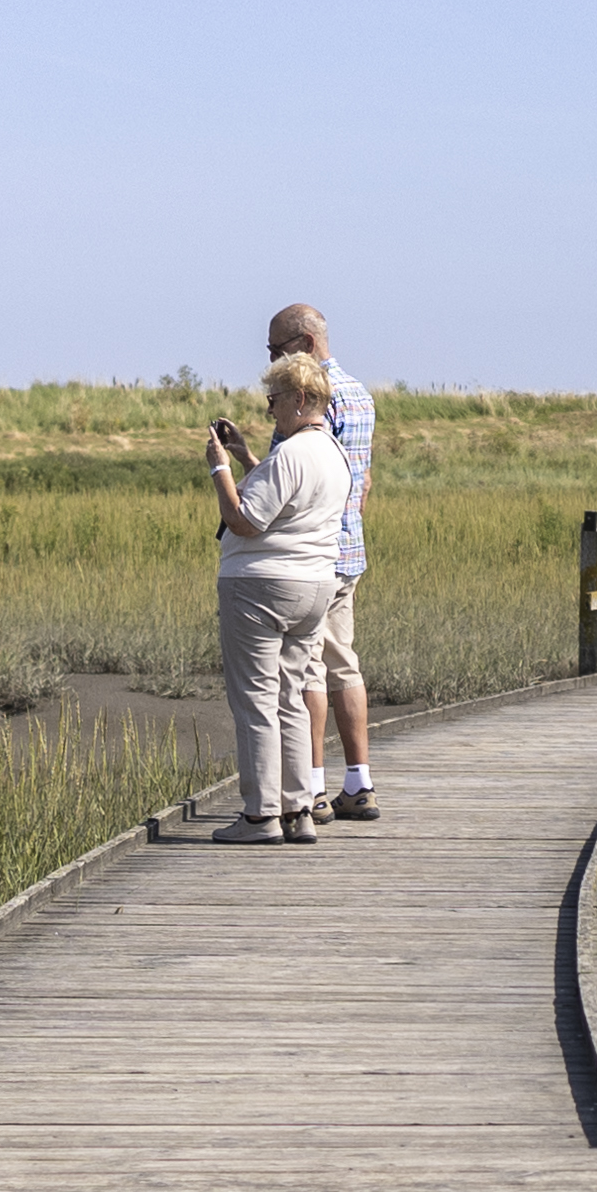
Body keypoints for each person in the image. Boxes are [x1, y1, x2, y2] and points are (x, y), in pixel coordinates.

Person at [201, 355, 351, 843]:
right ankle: (298, 809)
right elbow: (288, 497)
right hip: (314, 587)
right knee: (291, 697)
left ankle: (259, 816)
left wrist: (219, 469)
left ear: (301, 399)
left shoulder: (289, 454)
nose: (270, 412)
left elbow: (246, 520)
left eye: (275, 401)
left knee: (255, 699)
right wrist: (247, 458)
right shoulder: (332, 453)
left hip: (261, 585)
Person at [269, 299, 378, 819]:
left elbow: (284, 483)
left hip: (312, 555)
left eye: (277, 350)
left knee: (308, 671)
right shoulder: (361, 396)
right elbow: (363, 481)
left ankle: (311, 789)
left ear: (306, 346)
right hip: (351, 548)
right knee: (345, 665)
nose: (271, 362)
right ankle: (359, 782)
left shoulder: (308, 398)